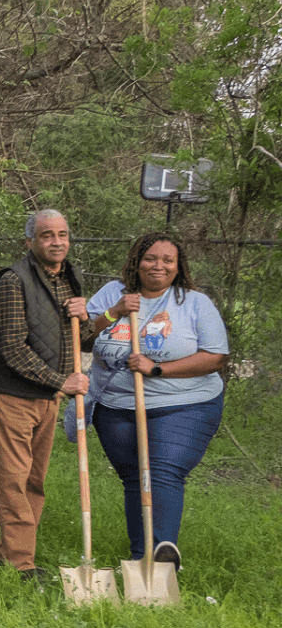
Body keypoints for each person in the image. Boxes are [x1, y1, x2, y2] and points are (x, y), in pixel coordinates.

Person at [86, 232, 228, 569]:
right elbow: (80, 336)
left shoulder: (194, 303)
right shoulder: (111, 293)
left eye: (168, 260)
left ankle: (162, 557)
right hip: (116, 405)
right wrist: (114, 312)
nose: (158, 266)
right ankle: (141, 558)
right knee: (135, 477)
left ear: (179, 267)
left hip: (184, 404)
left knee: (161, 470)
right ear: (136, 260)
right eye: (151, 258)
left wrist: (157, 368)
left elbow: (216, 356)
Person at [0, 209, 94, 579]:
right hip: (15, 394)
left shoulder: (71, 277)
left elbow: (85, 337)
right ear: (30, 241)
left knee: (35, 479)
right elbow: (12, 347)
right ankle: (20, 563)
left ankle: (11, 552)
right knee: (14, 478)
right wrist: (61, 382)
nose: (57, 242)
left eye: (62, 234)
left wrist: (89, 315)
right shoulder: (14, 281)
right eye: (48, 235)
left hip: (48, 397)